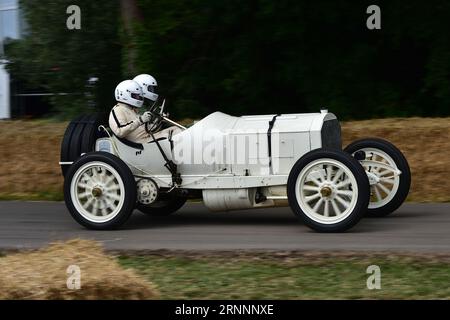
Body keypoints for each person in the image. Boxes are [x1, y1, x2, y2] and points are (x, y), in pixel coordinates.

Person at [133, 74, 182, 138]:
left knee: (177, 129)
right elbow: (146, 128)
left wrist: (160, 117)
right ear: (142, 88)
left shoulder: (147, 103)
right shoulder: (138, 107)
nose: (153, 91)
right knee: (176, 131)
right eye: (150, 88)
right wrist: (159, 120)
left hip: (153, 132)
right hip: (146, 138)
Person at [109, 79, 153, 144]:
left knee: (173, 130)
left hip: (147, 138)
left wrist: (158, 121)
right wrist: (140, 120)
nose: (138, 98)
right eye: (135, 95)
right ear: (124, 94)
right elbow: (120, 131)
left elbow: (144, 129)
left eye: (138, 96)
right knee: (172, 135)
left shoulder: (131, 109)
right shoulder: (118, 109)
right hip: (140, 143)